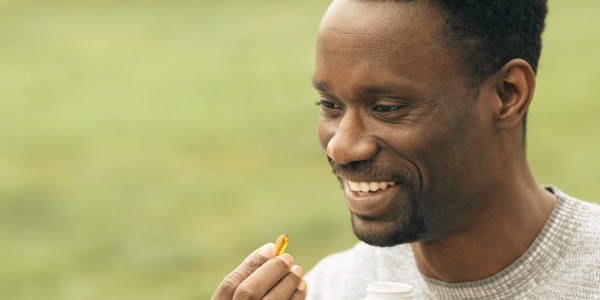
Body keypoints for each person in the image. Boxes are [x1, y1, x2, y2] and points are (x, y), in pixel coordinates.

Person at [211, 0, 600, 299]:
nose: (342, 148)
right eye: (330, 105)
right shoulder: (328, 289)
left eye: (387, 108)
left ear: (507, 94)